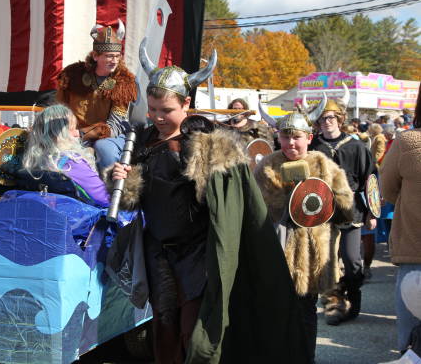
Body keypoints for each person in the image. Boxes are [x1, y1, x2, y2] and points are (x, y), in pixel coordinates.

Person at [107, 40, 308, 363]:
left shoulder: (206, 143)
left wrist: (209, 167)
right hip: (158, 251)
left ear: (186, 103)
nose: (158, 117)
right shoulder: (143, 141)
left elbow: (228, 201)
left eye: (166, 110)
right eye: (153, 109)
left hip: (199, 252)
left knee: (196, 331)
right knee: (164, 327)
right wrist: (122, 178)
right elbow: (132, 202)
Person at [255, 105, 354, 362]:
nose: (290, 143)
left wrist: (324, 200)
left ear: (309, 137)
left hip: (310, 258)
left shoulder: (325, 166)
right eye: (285, 137)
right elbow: (251, 212)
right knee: (276, 318)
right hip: (274, 256)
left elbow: (347, 210)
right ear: (277, 137)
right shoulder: (264, 168)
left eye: (296, 137)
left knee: (305, 315)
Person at [309, 91, 377, 325]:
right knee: (327, 262)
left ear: (340, 119)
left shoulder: (356, 147)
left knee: (352, 260)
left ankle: (353, 299)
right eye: (323, 118)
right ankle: (334, 307)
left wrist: (372, 213)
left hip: (351, 212)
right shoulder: (314, 145)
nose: (327, 122)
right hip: (322, 213)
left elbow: (371, 180)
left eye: (331, 117)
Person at [56, 20, 137, 171]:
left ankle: (110, 189)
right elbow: (61, 109)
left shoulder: (123, 83)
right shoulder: (72, 75)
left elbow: (114, 127)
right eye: (109, 56)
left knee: (104, 148)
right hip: (74, 133)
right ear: (95, 56)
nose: (114, 61)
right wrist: (61, 131)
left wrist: (80, 134)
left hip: (108, 137)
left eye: (117, 56)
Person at [380, 88, 421, 354]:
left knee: (411, 346)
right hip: (414, 254)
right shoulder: (409, 143)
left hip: (414, 254)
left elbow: (388, 190)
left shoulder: (408, 142)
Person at [21, 104, 109, 207]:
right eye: (72, 128)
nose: (77, 133)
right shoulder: (73, 162)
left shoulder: (32, 164)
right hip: (79, 220)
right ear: (59, 134)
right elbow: (106, 199)